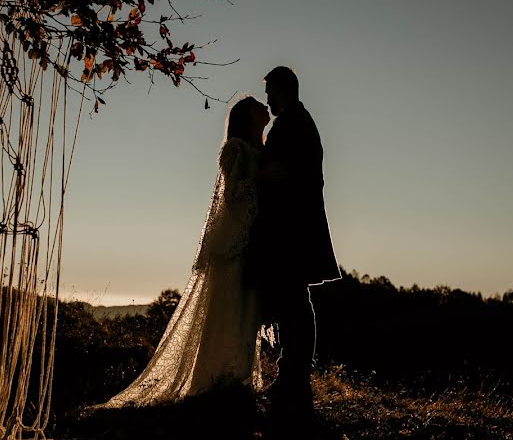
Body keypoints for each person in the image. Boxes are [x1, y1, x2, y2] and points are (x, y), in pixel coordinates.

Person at [101, 96, 271, 408]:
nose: (266, 108)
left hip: (254, 243)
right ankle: (218, 379)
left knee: (248, 313)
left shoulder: (262, 149)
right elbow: (232, 196)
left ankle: (240, 378)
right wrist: (260, 183)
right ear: (246, 117)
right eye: (258, 106)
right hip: (236, 245)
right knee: (230, 309)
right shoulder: (236, 149)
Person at [248, 66, 340, 421]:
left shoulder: (293, 125)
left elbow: (286, 177)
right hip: (294, 225)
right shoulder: (294, 122)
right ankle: (292, 376)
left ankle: (295, 379)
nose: (268, 100)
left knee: (294, 304)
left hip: (292, 227)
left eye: (271, 92)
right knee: (293, 302)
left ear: (285, 90)